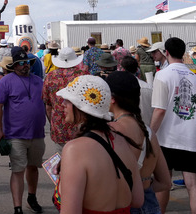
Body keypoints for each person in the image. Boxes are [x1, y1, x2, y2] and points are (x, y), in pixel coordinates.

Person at [56, 75, 144, 213]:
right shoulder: (122, 141)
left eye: (68, 100)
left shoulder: (75, 149)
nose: (63, 104)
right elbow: (137, 200)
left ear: (81, 106)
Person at [150, 37, 196, 214]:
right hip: (190, 138)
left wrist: (150, 134)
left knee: (163, 182)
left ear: (166, 52)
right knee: (193, 185)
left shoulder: (162, 75)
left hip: (167, 139)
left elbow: (159, 110)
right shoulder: (195, 78)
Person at [106, 71, 170, 214]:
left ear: (112, 98)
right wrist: (144, 185)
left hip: (123, 203)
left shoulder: (110, 132)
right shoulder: (148, 133)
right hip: (149, 203)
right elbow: (165, 182)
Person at [0, 46, 47, 214]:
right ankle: (17, 207)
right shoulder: (6, 81)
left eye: (28, 63)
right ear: (14, 65)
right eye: (21, 63)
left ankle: (32, 198)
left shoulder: (39, 81)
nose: (25, 65)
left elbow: (47, 103)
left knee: (33, 167)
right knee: (18, 170)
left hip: (37, 134)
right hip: (16, 134)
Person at [42, 48, 86, 148]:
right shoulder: (83, 75)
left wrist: (52, 122)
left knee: (61, 161)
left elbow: (48, 106)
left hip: (59, 128)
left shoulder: (50, 77)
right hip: (80, 127)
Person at [119, 56, 154, 126]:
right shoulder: (149, 87)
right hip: (147, 127)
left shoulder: (119, 87)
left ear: (122, 69)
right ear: (136, 70)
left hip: (127, 128)